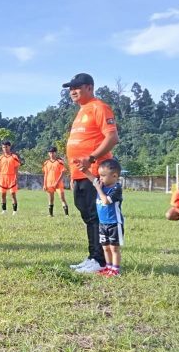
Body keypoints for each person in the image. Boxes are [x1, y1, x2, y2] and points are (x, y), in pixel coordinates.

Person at [64, 73, 119, 274]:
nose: (73, 92)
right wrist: (73, 175)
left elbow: (112, 137)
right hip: (80, 175)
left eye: (77, 87)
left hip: (95, 173)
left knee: (96, 216)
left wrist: (92, 158)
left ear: (89, 87)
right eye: (70, 88)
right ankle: (92, 256)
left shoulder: (99, 107)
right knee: (87, 215)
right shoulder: (81, 111)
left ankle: (101, 260)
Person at [81, 159, 124, 277]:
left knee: (114, 248)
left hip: (114, 223)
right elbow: (92, 179)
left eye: (103, 175)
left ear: (114, 176)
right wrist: (84, 170)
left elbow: (105, 201)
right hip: (103, 224)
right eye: (99, 175)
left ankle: (115, 270)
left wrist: (98, 189)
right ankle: (108, 267)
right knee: (105, 248)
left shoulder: (116, 189)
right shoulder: (102, 184)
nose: (100, 178)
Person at [0, 141, 21, 215]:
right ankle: (4, 210)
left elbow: (16, 168)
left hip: (11, 177)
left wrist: (16, 177)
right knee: (3, 194)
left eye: (6, 147)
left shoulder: (14, 157)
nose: (5, 149)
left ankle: (15, 211)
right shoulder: (1, 157)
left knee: (13, 194)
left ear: (9, 147)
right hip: (3, 177)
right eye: (3, 147)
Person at [43, 146, 69, 217]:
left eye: (53, 152)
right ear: (48, 154)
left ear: (55, 153)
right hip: (49, 183)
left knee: (62, 198)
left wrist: (57, 182)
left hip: (58, 184)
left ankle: (66, 215)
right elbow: (45, 174)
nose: (52, 154)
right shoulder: (46, 163)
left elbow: (62, 172)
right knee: (51, 199)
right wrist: (44, 184)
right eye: (50, 153)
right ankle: (51, 214)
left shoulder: (59, 162)